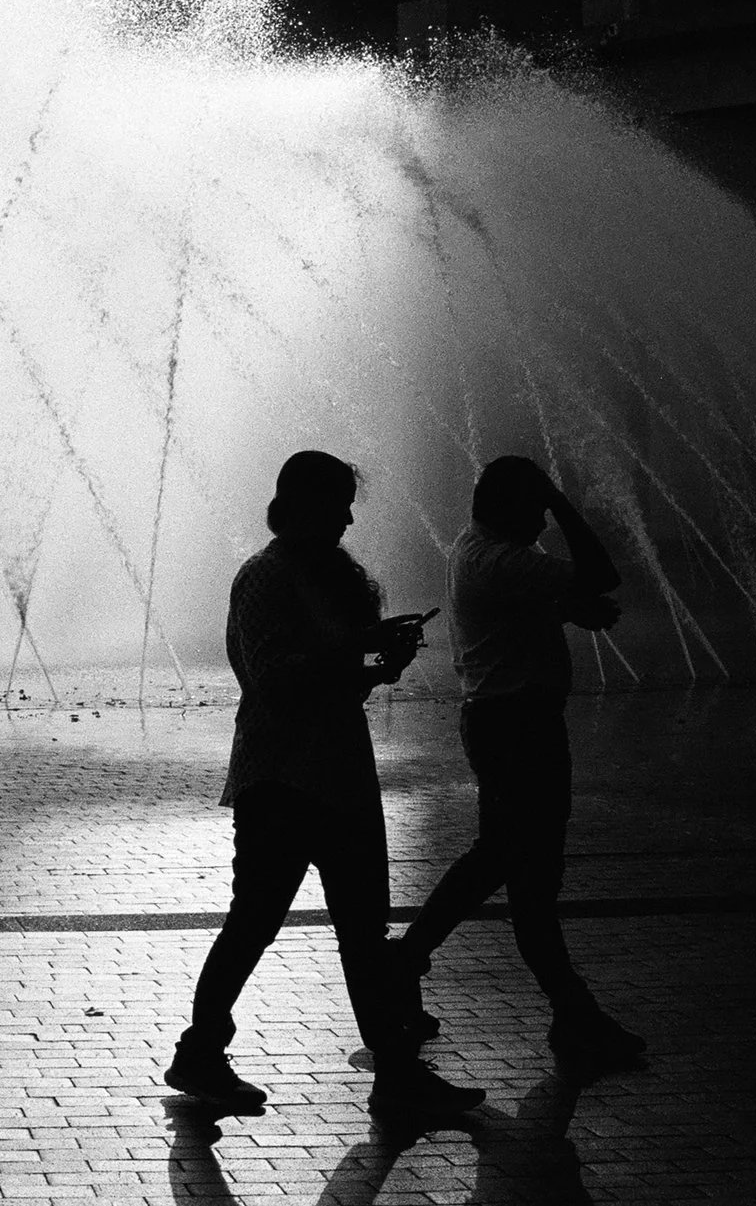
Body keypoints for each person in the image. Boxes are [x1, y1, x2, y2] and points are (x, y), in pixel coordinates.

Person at [165, 450, 485, 1122]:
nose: (346, 517)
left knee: (364, 931)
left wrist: (383, 654)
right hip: (281, 777)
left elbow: (348, 672)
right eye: (337, 503)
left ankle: (396, 1071)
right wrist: (356, 652)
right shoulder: (264, 577)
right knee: (255, 921)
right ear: (302, 504)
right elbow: (274, 676)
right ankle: (200, 1050)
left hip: (340, 772)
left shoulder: (330, 577)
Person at [391, 456, 645, 1069]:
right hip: (518, 729)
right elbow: (602, 573)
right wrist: (562, 503)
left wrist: (563, 609)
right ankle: (571, 1014)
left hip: (508, 723)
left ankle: (409, 962)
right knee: (527, 873)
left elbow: (522, 604)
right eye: (534, 509)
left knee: (505, 860)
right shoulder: (499, 557)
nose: (541, 520)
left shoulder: (478, 547)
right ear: (512, 508)